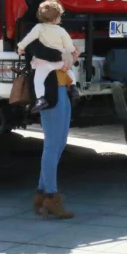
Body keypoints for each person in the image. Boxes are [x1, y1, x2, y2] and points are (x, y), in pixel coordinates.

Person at [17, 0, 80, 113]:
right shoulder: (61, 30)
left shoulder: (38, 27)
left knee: (38, 80)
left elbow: (28, 39)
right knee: (69, 71)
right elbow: (69, 45)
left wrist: (20, 48)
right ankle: (73, 87)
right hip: (60, 62)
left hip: (43, 63)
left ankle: (40, 99)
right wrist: (73, 51)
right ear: (56, 18)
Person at [32, 62, 75, 220]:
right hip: (51, 90)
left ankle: (41, 193)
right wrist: (64, 59)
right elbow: (42, 55)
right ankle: (50, 196)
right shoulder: (39, 37)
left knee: (60, 143)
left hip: (62, 88)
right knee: (52, 144)